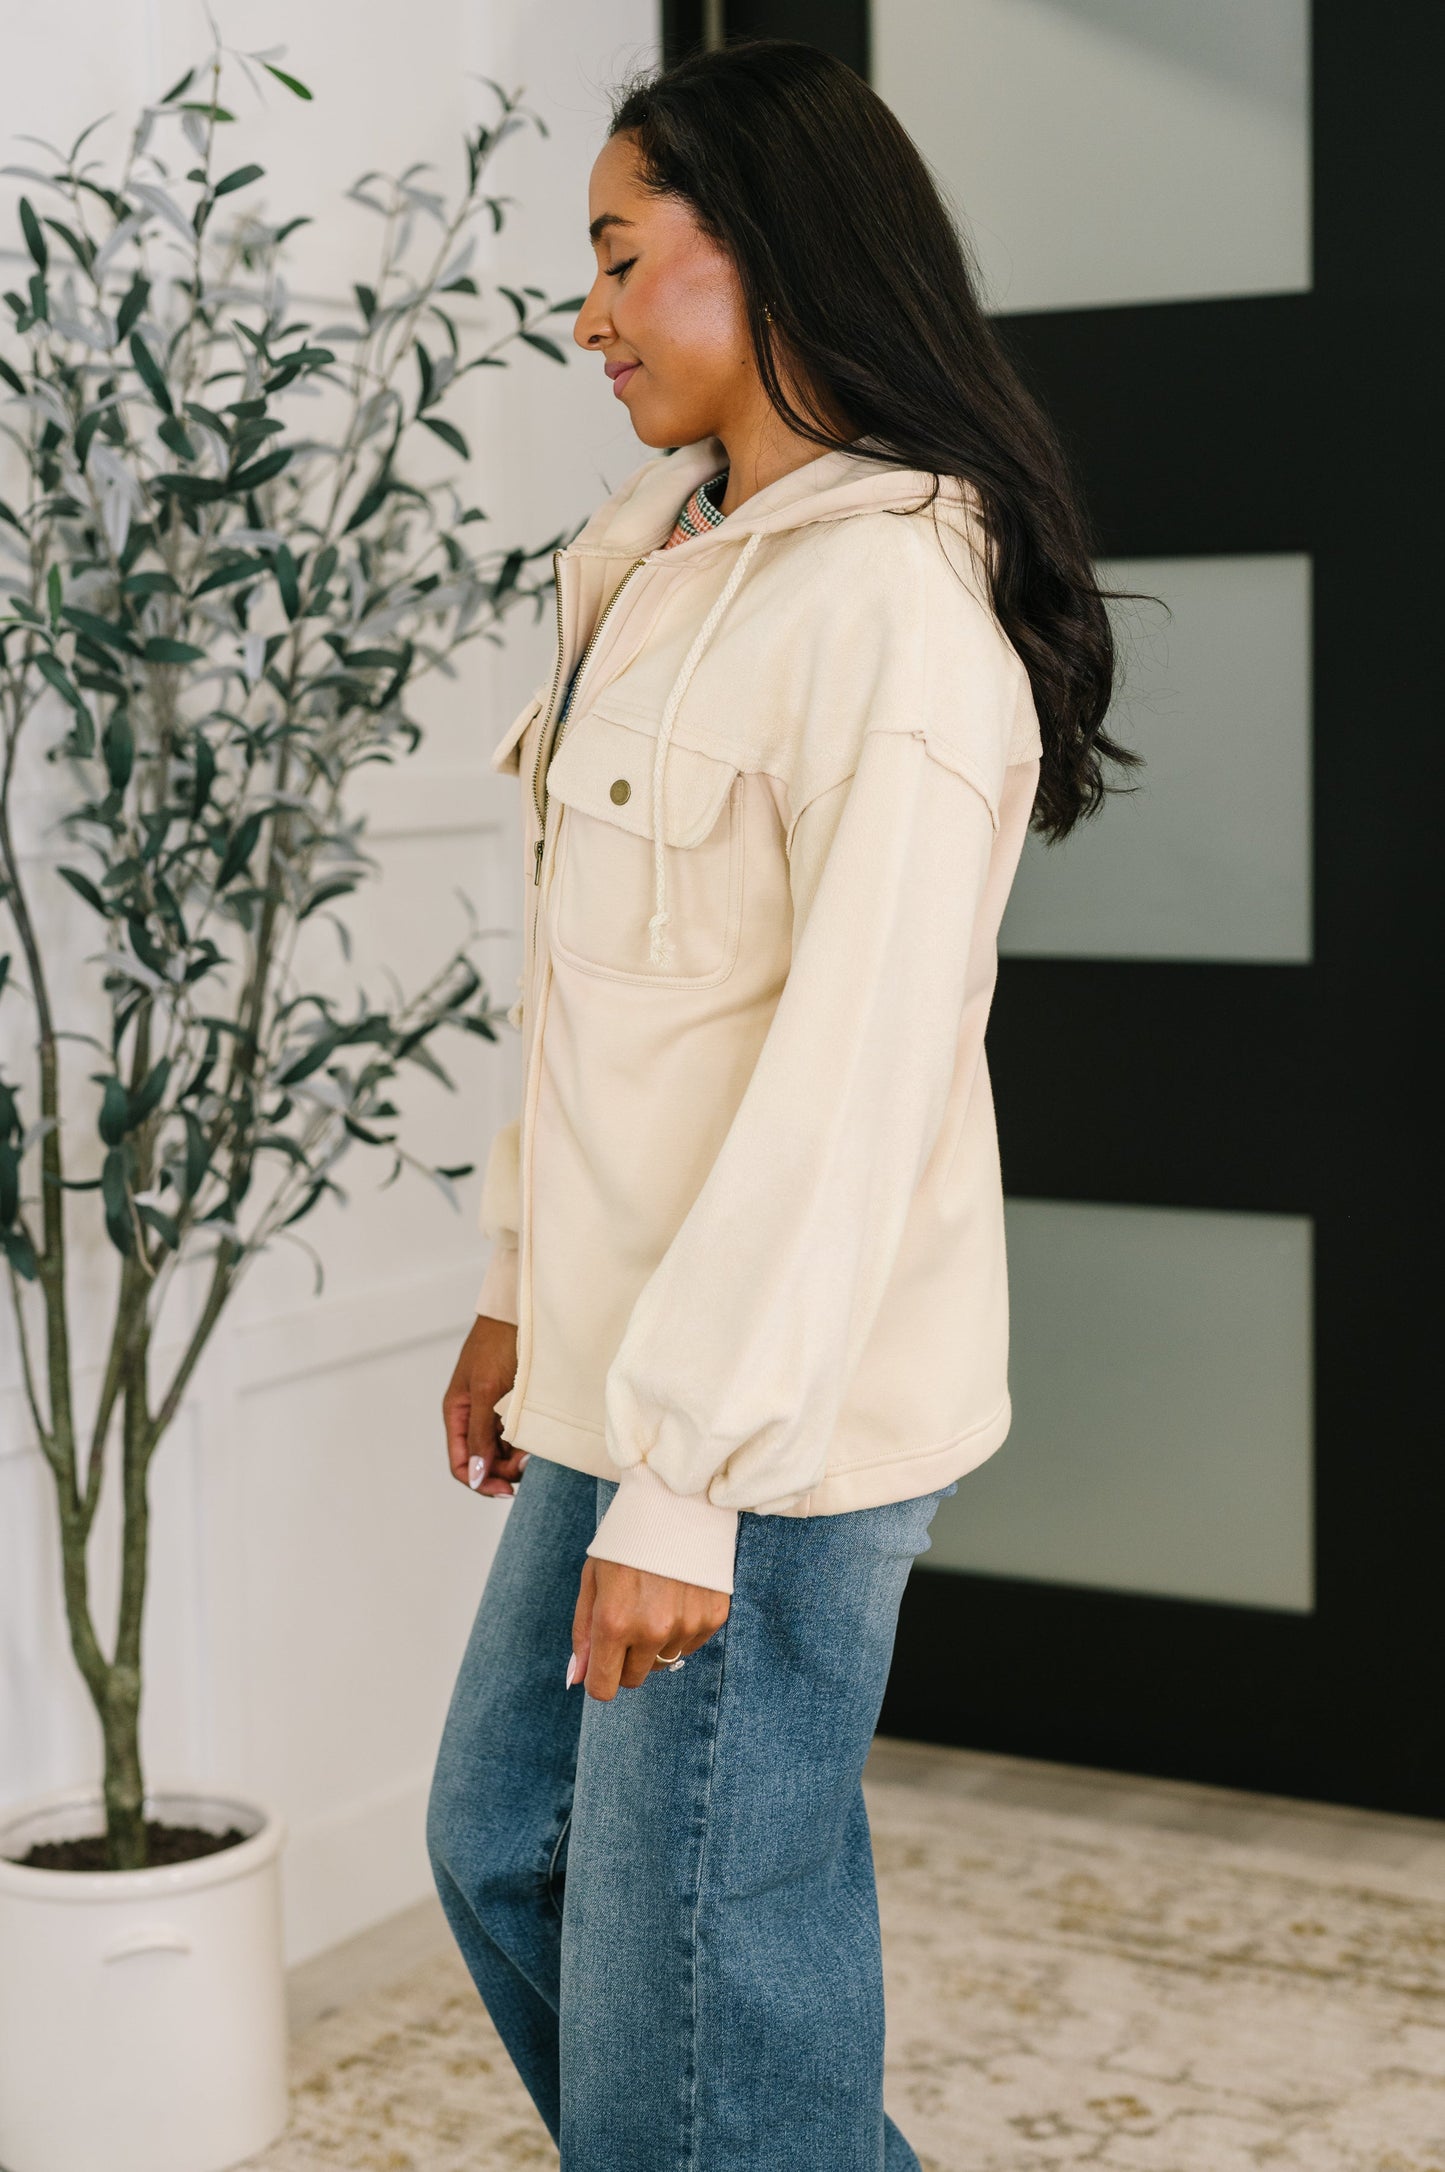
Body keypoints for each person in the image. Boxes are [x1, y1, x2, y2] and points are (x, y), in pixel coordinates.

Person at [426, 35, 1139, 2172]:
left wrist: (693, 1493)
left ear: (778, 259)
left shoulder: (896, 628)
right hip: (621, 1368)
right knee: (512, 1857)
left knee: (695, 2022)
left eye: (627, 261)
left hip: (760, 1439)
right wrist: (519, 1286)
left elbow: (848, 1093)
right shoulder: (660, 561)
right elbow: (610, 1001)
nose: (590, 317)